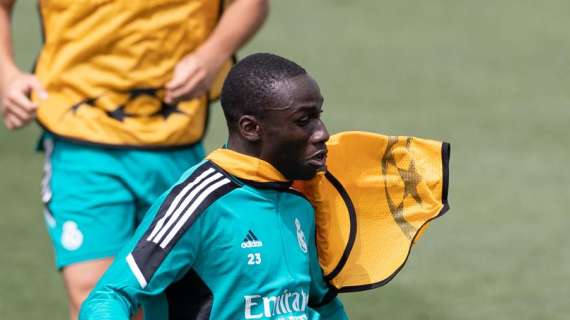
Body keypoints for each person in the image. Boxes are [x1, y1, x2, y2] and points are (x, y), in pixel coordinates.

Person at [0, 0, 269, 318]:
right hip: (81, 137)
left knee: (177, 296)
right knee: (95, 293)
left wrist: (210, 57)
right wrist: (7, 77)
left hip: (176, 141)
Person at [79, 53, 348, 319]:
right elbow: (110, 296)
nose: (322, 132)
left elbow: (321, 303)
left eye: (318, 115)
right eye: (303, 121)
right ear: (251, 128)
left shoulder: (300, 200)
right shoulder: (199, 201)